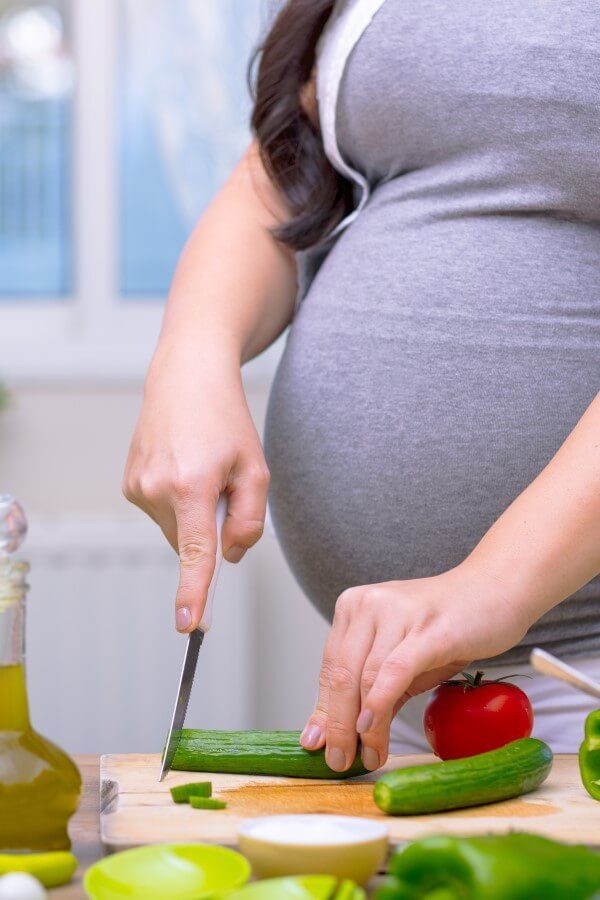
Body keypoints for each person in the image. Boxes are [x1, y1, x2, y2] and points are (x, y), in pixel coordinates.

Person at [124, 0, 600, 771]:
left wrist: (496, 583)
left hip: (581, 685)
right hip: (405, 696)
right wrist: (189, 359)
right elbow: (282, 176)